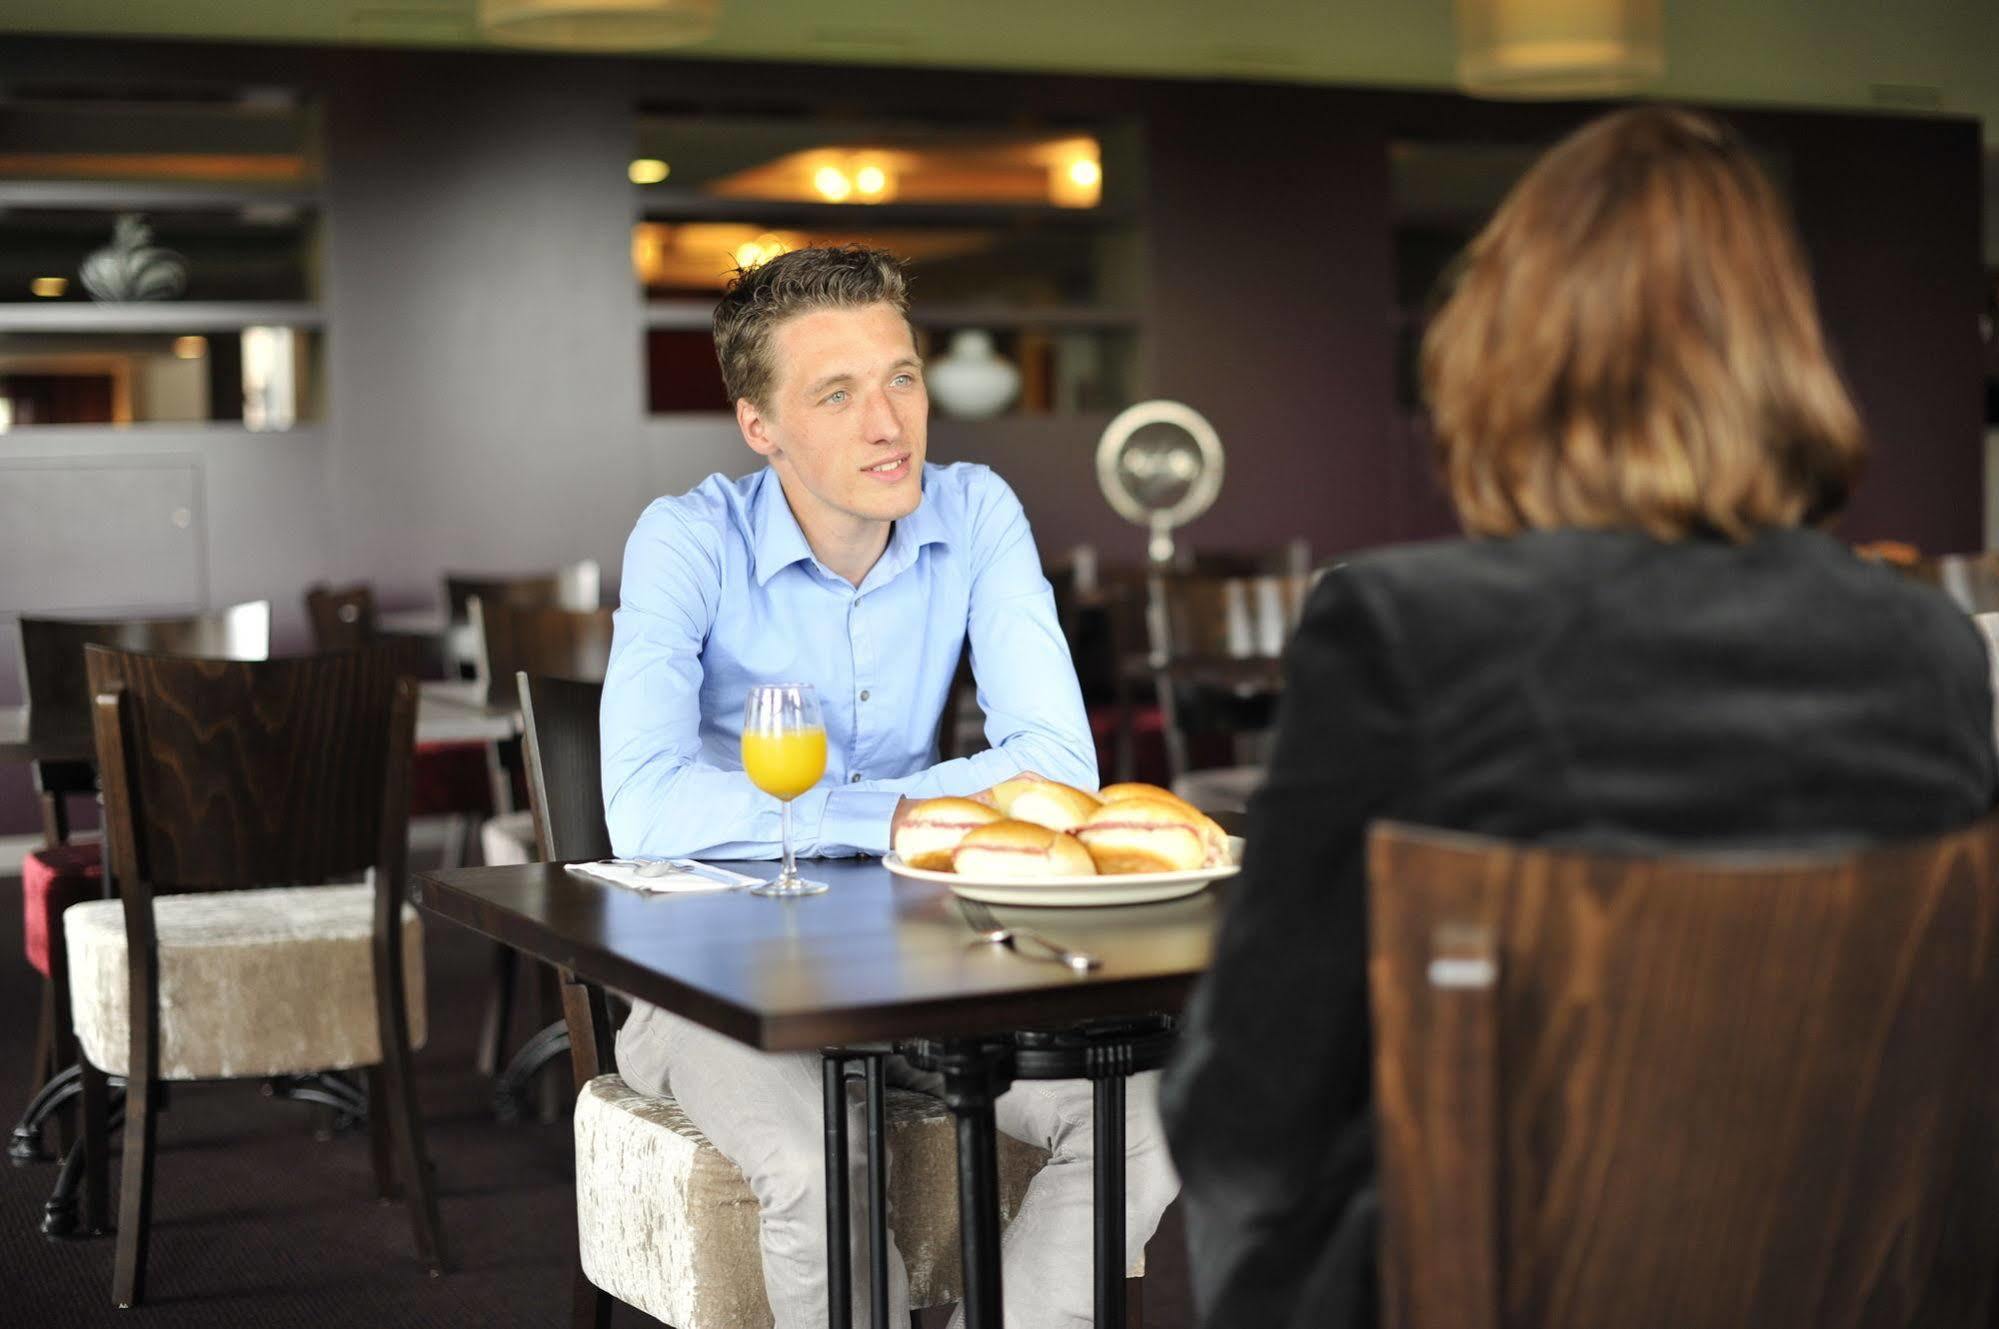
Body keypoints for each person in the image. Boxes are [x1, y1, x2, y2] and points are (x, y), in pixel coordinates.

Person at [1158, 105, 1998, 1329]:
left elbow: (1250, 1095)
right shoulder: (1930, 652)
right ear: (1786, 357)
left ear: (1505, 349)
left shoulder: (1406, 632)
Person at [599, 245, 1178, 1328]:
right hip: (714, 980)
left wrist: (873, 816)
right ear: (759, 427)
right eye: (836, 392)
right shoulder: (686, 541)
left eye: (900, 377)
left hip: (921, 963)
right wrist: (908, 813)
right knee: (826, 1157)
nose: (888, 422)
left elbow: (1057, 764)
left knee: (1147, 1113)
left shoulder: (976, 512)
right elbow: (645, 806)